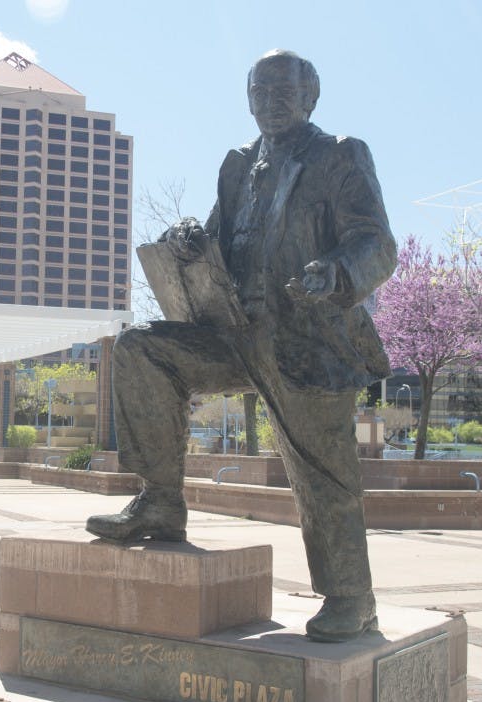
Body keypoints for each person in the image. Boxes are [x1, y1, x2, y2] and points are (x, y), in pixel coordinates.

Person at [86, 49, 396, 642]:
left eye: (283, 91)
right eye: (259, 92)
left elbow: (377, 244)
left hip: (308, 337)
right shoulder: (236, 165)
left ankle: (352, 598)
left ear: (311, 97)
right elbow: (220, 240)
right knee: (141, 349)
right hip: (233, 332)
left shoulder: (339, 155)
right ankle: (161, 501)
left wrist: (335, 271)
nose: (270, 103)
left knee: (322, 470)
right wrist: (186, 240)